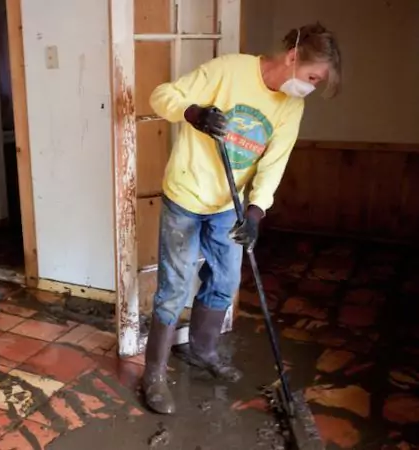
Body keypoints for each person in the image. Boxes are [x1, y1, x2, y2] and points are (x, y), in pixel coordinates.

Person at [142, 23, 342, 414]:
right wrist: (193, 112)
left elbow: (274, 163)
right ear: (292, 58)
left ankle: (202, 350)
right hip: (186, 194)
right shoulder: (229, 71)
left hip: (227, 207)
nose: (311, 89)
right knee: (175, 285)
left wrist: (254, 212)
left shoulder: (291, 106)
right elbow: (161, 95)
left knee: (226, 279)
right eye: (312, 78)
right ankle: (153, 374)